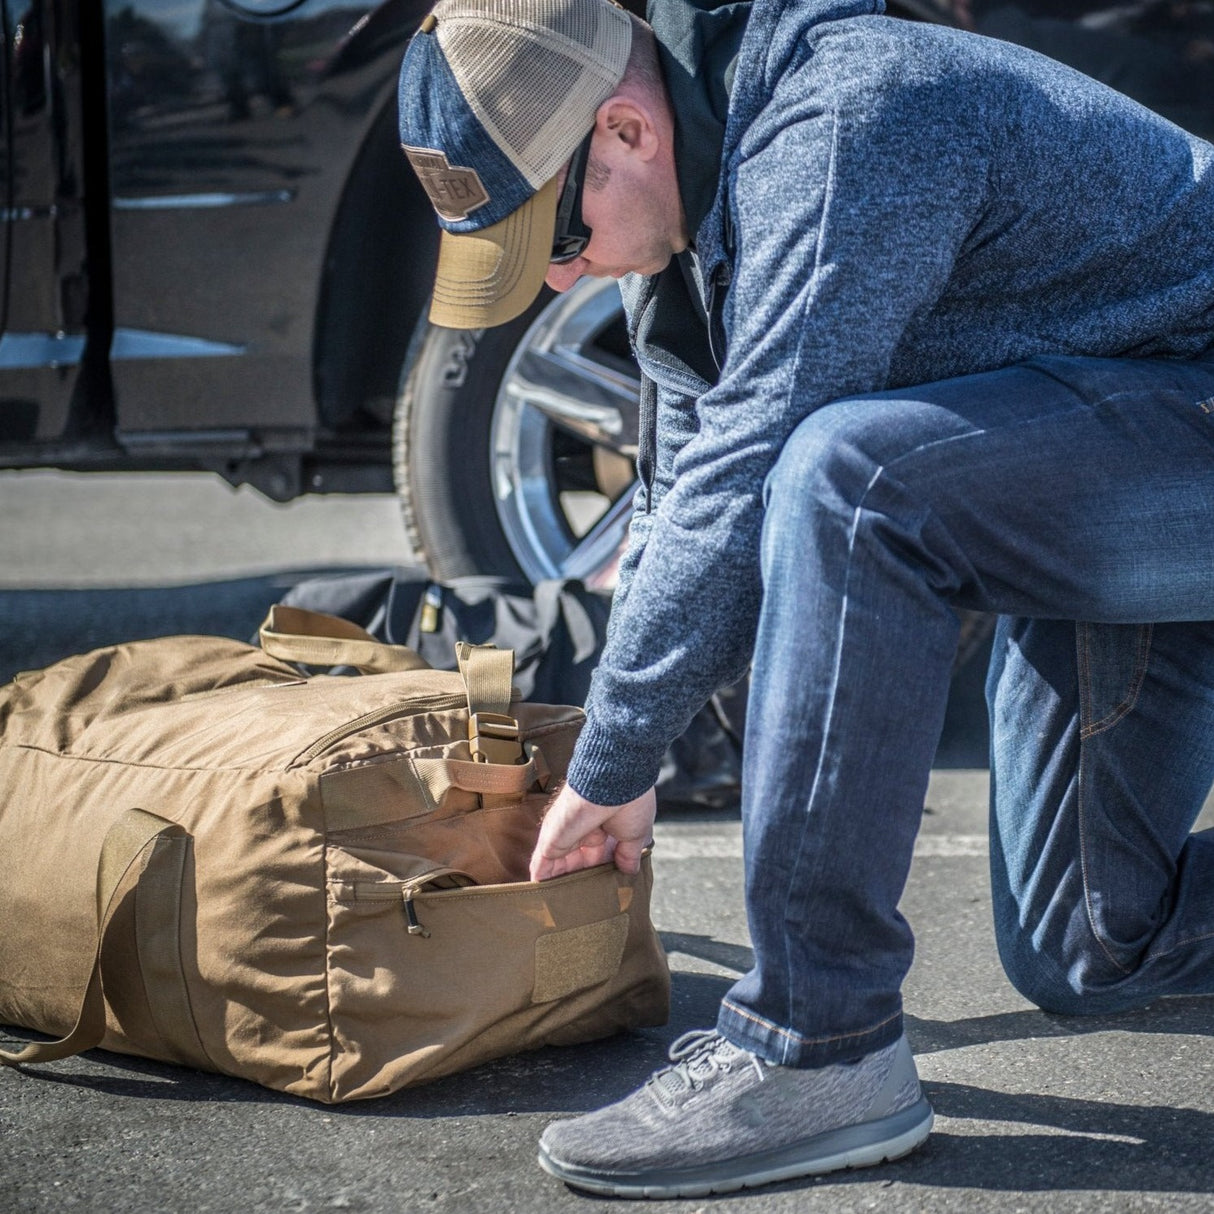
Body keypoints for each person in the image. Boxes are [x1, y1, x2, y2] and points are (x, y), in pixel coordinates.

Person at [397, 0, 1214, 1198]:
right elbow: (684, 502)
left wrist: (619, 755)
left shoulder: (850, 121)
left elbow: (759, 475)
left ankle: (814, 1045)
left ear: (622, 129)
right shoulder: (689, 204)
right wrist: (628, 752)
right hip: (1104, 448)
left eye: (552, 241)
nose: (557, 277)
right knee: (1088, 947)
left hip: (1180, 416)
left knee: (852, 478)